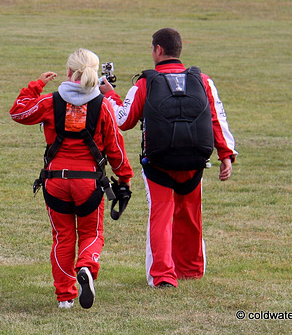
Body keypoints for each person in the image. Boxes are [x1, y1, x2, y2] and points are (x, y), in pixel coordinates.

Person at [100, 27, 237, 288]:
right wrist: (226, 155)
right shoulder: (202, 79)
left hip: (158, 165)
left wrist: (110, 96)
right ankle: (191, 269)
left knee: (161, 216)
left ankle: (163, 276)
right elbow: (217, 119)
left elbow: (123, 120)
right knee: (190, 214)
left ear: (158, 50)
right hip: (195, 163)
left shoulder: (145, 83)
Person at [10, 48, 133, 309]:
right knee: (91, 232)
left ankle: (65, 296)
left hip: (55, 181)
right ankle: (86, 266)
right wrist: (125, 178)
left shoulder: (49, 102)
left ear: (68, 72)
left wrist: (37, 85)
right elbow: (116, 148)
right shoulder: (103, 106)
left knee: (62, 237)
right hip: (89, 183)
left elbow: (18, 113)